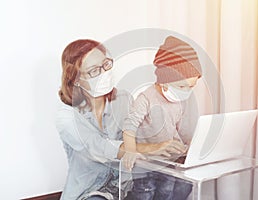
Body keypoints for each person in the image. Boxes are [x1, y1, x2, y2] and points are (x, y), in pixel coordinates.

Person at [56, 39, 187, 200]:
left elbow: (138, 135)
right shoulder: (66, 117)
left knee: (182, 184)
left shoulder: (123, 99)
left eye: (106, 64)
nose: (104, 73)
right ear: (75, 79)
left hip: (124, 188)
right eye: (94, 71)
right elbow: (100, 147)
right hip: (89, 192)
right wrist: (154, 147)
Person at [122, 36, 202, 200]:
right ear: (165, 81)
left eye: (191, 86)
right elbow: (129, 125)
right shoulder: (146, 98)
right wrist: (130, 150)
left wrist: (191, 149)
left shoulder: (181, 100)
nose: (186, 91)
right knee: (145, 194)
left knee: (167, 192)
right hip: (146, 163)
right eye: (182, 86)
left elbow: (185, 130)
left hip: (169, 162)